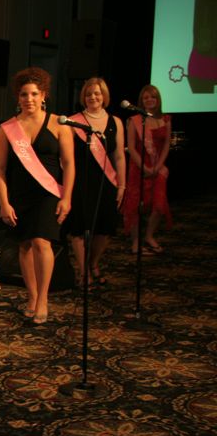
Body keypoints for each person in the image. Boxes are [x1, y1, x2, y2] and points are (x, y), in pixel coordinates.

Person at [0, 67, 74, 324]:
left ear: (44, 96)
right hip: (19, 194)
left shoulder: (59, 124)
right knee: (25, 245)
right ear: (18, 98)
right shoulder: (8, 128)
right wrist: (4, 203)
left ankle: (43, 300)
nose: (29, 99)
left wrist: (67, 197)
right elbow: (0, 169)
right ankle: (32, 296)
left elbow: (69, 164)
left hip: (48, 193)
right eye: (24, 94)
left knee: (42, 242)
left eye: (34, 94)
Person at [65, 77, 126, 284]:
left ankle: (93, 263)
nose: (93, 97)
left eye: (97, 93)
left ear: (104, 96)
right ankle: (84, 271)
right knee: (80, 227)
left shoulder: (115, 122)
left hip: (106, 181)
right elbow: (66, 158)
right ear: (84, 96)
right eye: (89, 93)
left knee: (105, 228)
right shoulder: (73, 122)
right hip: (80, 182)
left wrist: (122, 185)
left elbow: (119, 156)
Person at [122, 84, 172, 254]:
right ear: (141, 101)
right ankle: (135, 242)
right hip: (138, 168)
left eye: (153, 97)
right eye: (146, 98)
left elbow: (166, 145)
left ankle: (149, 236)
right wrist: (144, 167)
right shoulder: (134, 120)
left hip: (158, 167)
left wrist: (157, 167)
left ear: (158, 100)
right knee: (135, 206)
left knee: (159, 204)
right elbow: (130, 147)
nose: (150, 100)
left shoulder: (165, 119)